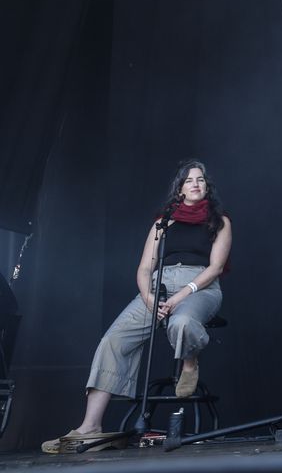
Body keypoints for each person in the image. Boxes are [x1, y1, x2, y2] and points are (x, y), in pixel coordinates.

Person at [43, 160, 232, 454]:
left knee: (181, 323)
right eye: (189, 180)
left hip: (199, 286)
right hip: (158, 287)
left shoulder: (219, 221)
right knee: (113, 340)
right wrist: (148, 297)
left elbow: (216, 267)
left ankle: (190, 360)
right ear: (179, 189)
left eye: (201, 180)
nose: (196, 184)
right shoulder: (163, 222)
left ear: (207, 186)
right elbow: (145, 267)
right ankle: (90, 425)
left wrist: (180, 296)